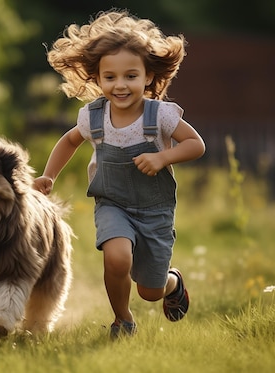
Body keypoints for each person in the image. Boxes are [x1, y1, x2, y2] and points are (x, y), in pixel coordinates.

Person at [33, 9, 205, 338]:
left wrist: (162, 158)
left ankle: (171, 282)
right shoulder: (93, 117)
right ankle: (123, 320)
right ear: (97, 79)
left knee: (150, 291)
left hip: (154, 210)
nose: (120, 85)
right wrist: (49, 176)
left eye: (130, 76)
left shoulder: (161, 115)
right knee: (116, 256)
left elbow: (196, 145)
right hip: (113, 203)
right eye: (110, 77)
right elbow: (69, 141)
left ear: (149, 77)